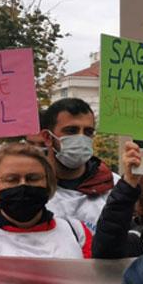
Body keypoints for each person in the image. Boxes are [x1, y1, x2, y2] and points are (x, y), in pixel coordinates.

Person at [0, 143, 91, 257]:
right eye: (12, 180)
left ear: (48, 184)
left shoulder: (76, 232)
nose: (23, 185)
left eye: (33, 178)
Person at [40, 98, 118, 233]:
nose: (81, 138)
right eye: (71, 131)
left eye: (88, 132)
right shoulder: (31, 186)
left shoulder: (114, 185)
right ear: (48, 137)